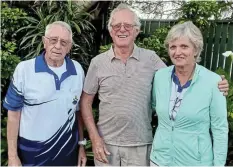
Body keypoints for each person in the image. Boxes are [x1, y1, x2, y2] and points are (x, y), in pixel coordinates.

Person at [80, 4, 229, 166]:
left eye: (128, 25)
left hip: (141, 146)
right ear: (110, 30)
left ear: (137, 30)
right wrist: (94, 139)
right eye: (116, 25)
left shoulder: (151, 59)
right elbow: (86, 102)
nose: (122, 29)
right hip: (107, 145)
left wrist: (217, 82)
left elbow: (184, 73)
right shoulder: (98, 63)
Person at [3, 21, 87, 166]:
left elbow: (78, 112)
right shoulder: (24, 70)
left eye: (64, 42)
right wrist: (12, 156)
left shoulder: (77, 70)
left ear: (69, 47)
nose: (58, 46)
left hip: (68, 155)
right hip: (31, 155)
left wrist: (81, 145)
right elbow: (13, 115)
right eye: (53, 40)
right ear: (44, 42)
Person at [150, 21, 228, 166]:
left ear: (196, 50)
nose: (177, 52)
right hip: (160, 160)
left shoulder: (213, 82)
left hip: (196, 162)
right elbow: (154, 106)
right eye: (173, 47)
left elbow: (220, 130)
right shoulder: (159, 77)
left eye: (184, 46)